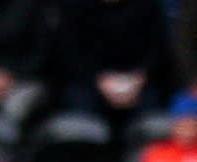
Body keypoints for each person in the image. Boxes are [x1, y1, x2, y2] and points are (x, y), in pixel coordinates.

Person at [52, 0, 174, 132]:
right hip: (89, 81)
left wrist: (139, 79)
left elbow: (158, 50)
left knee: (154, 116)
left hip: (139, 82)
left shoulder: (148, 6)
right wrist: (99, 81)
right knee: (78, 110)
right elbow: (70, 52)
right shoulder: (74, 7)